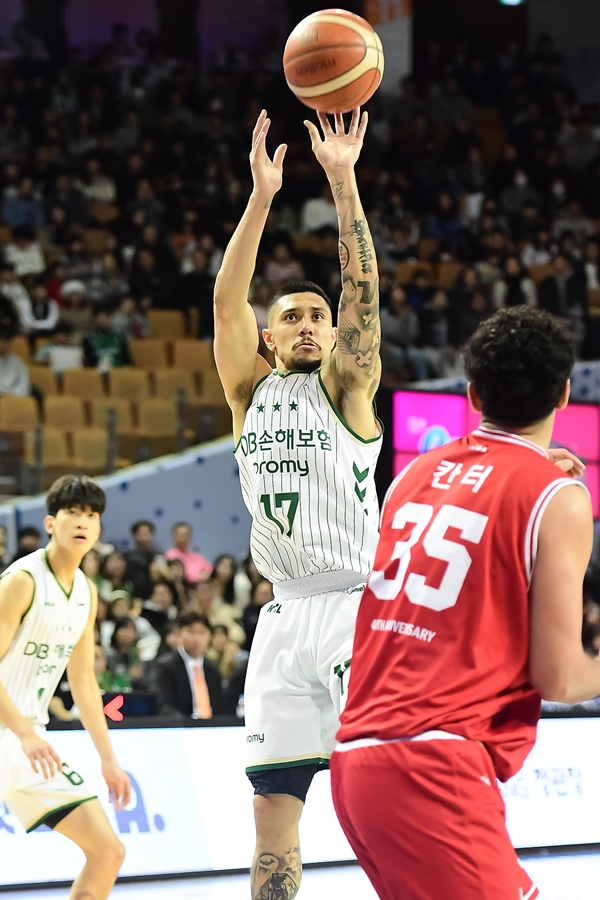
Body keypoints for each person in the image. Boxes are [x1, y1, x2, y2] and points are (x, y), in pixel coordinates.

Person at [331, 306, 594, 900]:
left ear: (473, 395)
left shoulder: (410, 477)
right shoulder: (559, 497)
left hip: (357, 758)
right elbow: (560, 677)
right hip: (433, 763)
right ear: (564, 394)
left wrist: (528, 471)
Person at [213, 107, 382, 898]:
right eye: (293, 318)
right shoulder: (247, 393)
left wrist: (343, 180)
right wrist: (262, 197)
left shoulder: (349, 387)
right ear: (270, 338)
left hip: (355, 605)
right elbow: (226, 303)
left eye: (318, 316)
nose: (311, 325)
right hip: (281, 618)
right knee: (271, 811)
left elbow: (362, 291)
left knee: (383, 792)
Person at [0, 474, 130, 899]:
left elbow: (84, 682)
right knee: (107, 851)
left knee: (108, 852)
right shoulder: (23, 580)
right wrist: (23, 734)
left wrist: (108, 761)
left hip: (25, 737)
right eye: (72, 512)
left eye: (91, 515)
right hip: (15, 734)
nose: (82, 522)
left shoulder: (87, 593)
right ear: (50, 523)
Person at [149, 611, 223, 718]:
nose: (196, 638)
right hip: (181, 725)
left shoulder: (212, 670)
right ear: (179, 633)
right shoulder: (165, 667)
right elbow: (163, 706)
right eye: (190, 632)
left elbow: (220, 707)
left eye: (202, 632)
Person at [165, 521, 212, 586]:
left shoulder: (197, 556)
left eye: (186, 534)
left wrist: (206, 574)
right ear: (174, 536)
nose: (183, 537)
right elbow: (181, 575)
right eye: (180, 534)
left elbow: (210, 569)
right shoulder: (170, 554)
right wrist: (199, 578)